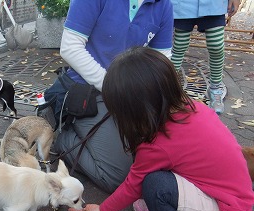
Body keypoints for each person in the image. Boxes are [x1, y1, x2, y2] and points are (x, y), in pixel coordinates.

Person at [69, 47, 254, 211]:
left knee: (155, 186)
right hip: (229, 195)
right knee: (155, 184)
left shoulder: (158, 145)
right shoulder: (191, 107)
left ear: (132, 111)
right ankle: (171, 210)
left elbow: (132, 185)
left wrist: (102, 210)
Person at [51, 0, 174, 193]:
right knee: (116, 176)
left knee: (162, 151)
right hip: (88, 88)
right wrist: (115, 88)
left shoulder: (163, 4)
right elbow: (70, 47)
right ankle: (63, 136)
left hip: (127, 93)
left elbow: (161, 60)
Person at [170, 0, 241, 114]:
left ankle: (215, 89)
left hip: (214, 5)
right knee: (178, 46)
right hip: (181, 5)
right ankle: (168, 89)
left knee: (217, 46)